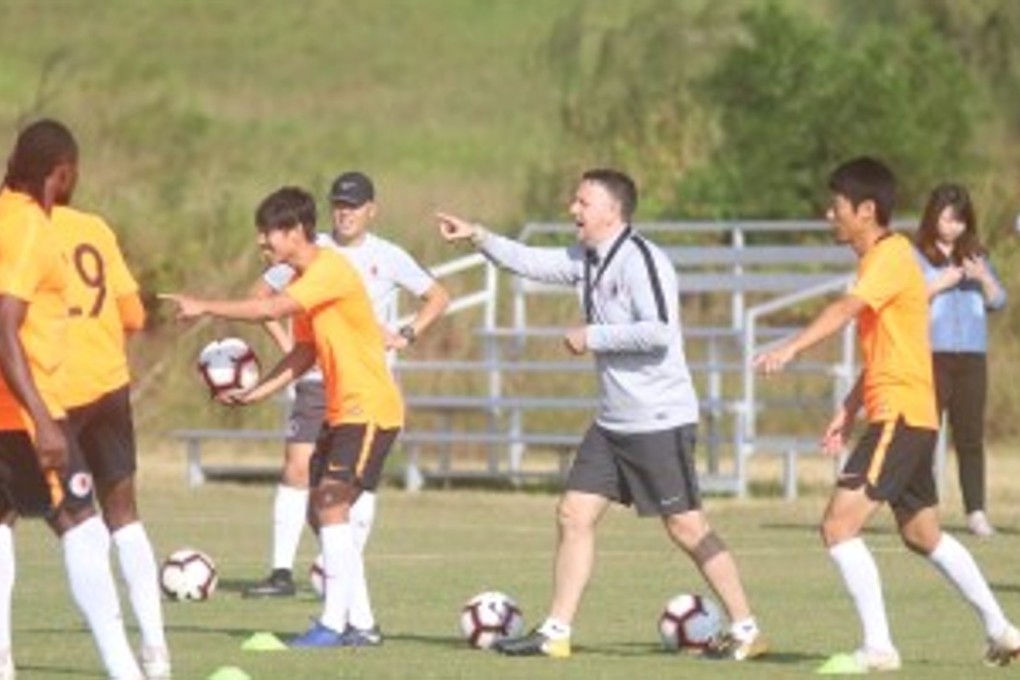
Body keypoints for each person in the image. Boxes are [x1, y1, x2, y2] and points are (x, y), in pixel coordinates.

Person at [435, 168, 766, 660]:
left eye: (583, 202)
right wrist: (478, 236)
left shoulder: (642, 260)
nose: (573, 209)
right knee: (573, 514)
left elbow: (658, 331)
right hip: (613, 423)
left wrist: (592, 336)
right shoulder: (586, 258)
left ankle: (747, 629)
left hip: (658, 419)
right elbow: (530, 261)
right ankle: (556, 632)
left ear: (613, 211)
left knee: (686, 527)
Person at [754, 157, 1020, 672]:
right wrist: (849, 407)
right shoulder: (887, 260)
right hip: (906, 414)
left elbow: (844, 310)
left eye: (836, 206)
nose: (829, 215)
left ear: (866, 210)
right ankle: (1004, 631)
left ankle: (878, 648)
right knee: (922, 534)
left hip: (900, 415)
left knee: (838, 527)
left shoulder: (890, 256)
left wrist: (790, 347)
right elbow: (888, 347)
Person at [161, 186, 404, 648]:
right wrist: (258, 392)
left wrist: (205, 305)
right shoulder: (304, 278)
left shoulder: (329, 270)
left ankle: (333, 625)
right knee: (322, 510)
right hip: (344, 410)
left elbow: (268, 308)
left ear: (295, 232)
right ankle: (362, 623)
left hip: (370, 408)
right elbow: (304, 352)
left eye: (268, 232)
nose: (261, 242)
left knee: (330, 502)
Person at [243, 171, 448, 614]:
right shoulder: (310, 250)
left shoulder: (388, 255)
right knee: (300, 468)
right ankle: (284, 571)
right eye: (338, 204)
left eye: (353, 205)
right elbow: (261, 299)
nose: (345, 213)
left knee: (351, 489)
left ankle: (340, 574)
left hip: (365, 384)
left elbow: (437, 296)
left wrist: (407, 334)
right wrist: (293, 349)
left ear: (372, 210)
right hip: (318, 379)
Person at [0, 120, 145, 679]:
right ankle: (125, 670)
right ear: (61, 174)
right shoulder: (29, 228)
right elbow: (5, 326)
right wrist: (42, 419)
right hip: (21, 412)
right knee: (84, 528)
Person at [53, 198, 171, 676]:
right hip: (108, 385)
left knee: (29, 519)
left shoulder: (14, 227)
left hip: (49, 393)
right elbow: (134, 315)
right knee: (124, 515)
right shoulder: (94, 227)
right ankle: (156, 649)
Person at [914, 183, 1006, 538]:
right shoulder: (916, 256)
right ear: (932, 218)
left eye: (959, 220)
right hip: (932, 355)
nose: (952, 227)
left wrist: (983, 277)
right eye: (946, 219)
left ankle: (976, 512)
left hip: (971, 357)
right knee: (924, 435)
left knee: (970, 438)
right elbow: (910, 298)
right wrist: (941, 282)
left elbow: (998, 301)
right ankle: (923, 510)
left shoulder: (976, 254)